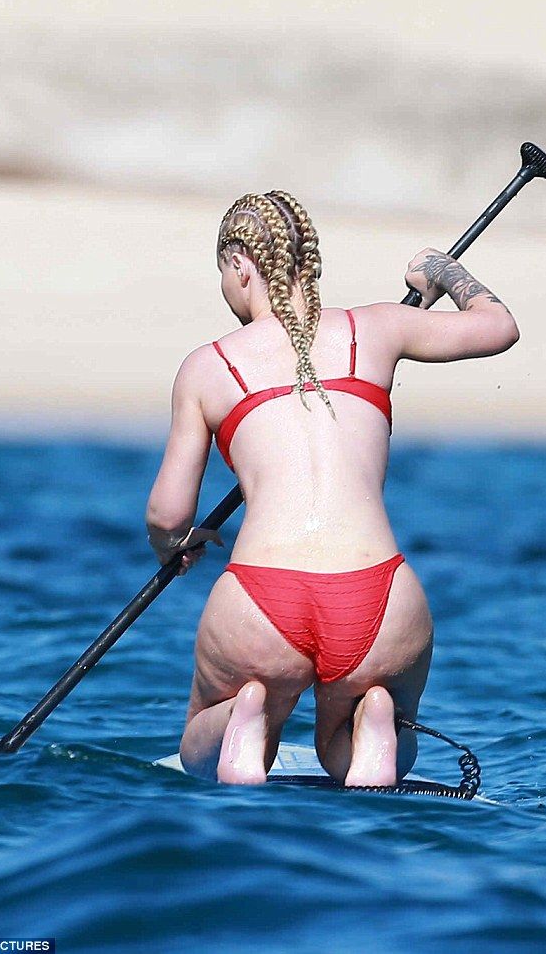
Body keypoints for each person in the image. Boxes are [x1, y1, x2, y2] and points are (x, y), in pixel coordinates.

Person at [145, 191, 518, 786]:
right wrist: (443, 270)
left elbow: (168, 514)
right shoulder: (379, 327)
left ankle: (245, 715)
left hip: (261, 598)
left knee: (200, 744)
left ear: (240, 264)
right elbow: (498, 327)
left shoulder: (207, 366)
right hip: (379, 594)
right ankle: (372, 717)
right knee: (349, 735)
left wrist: (175, 546)